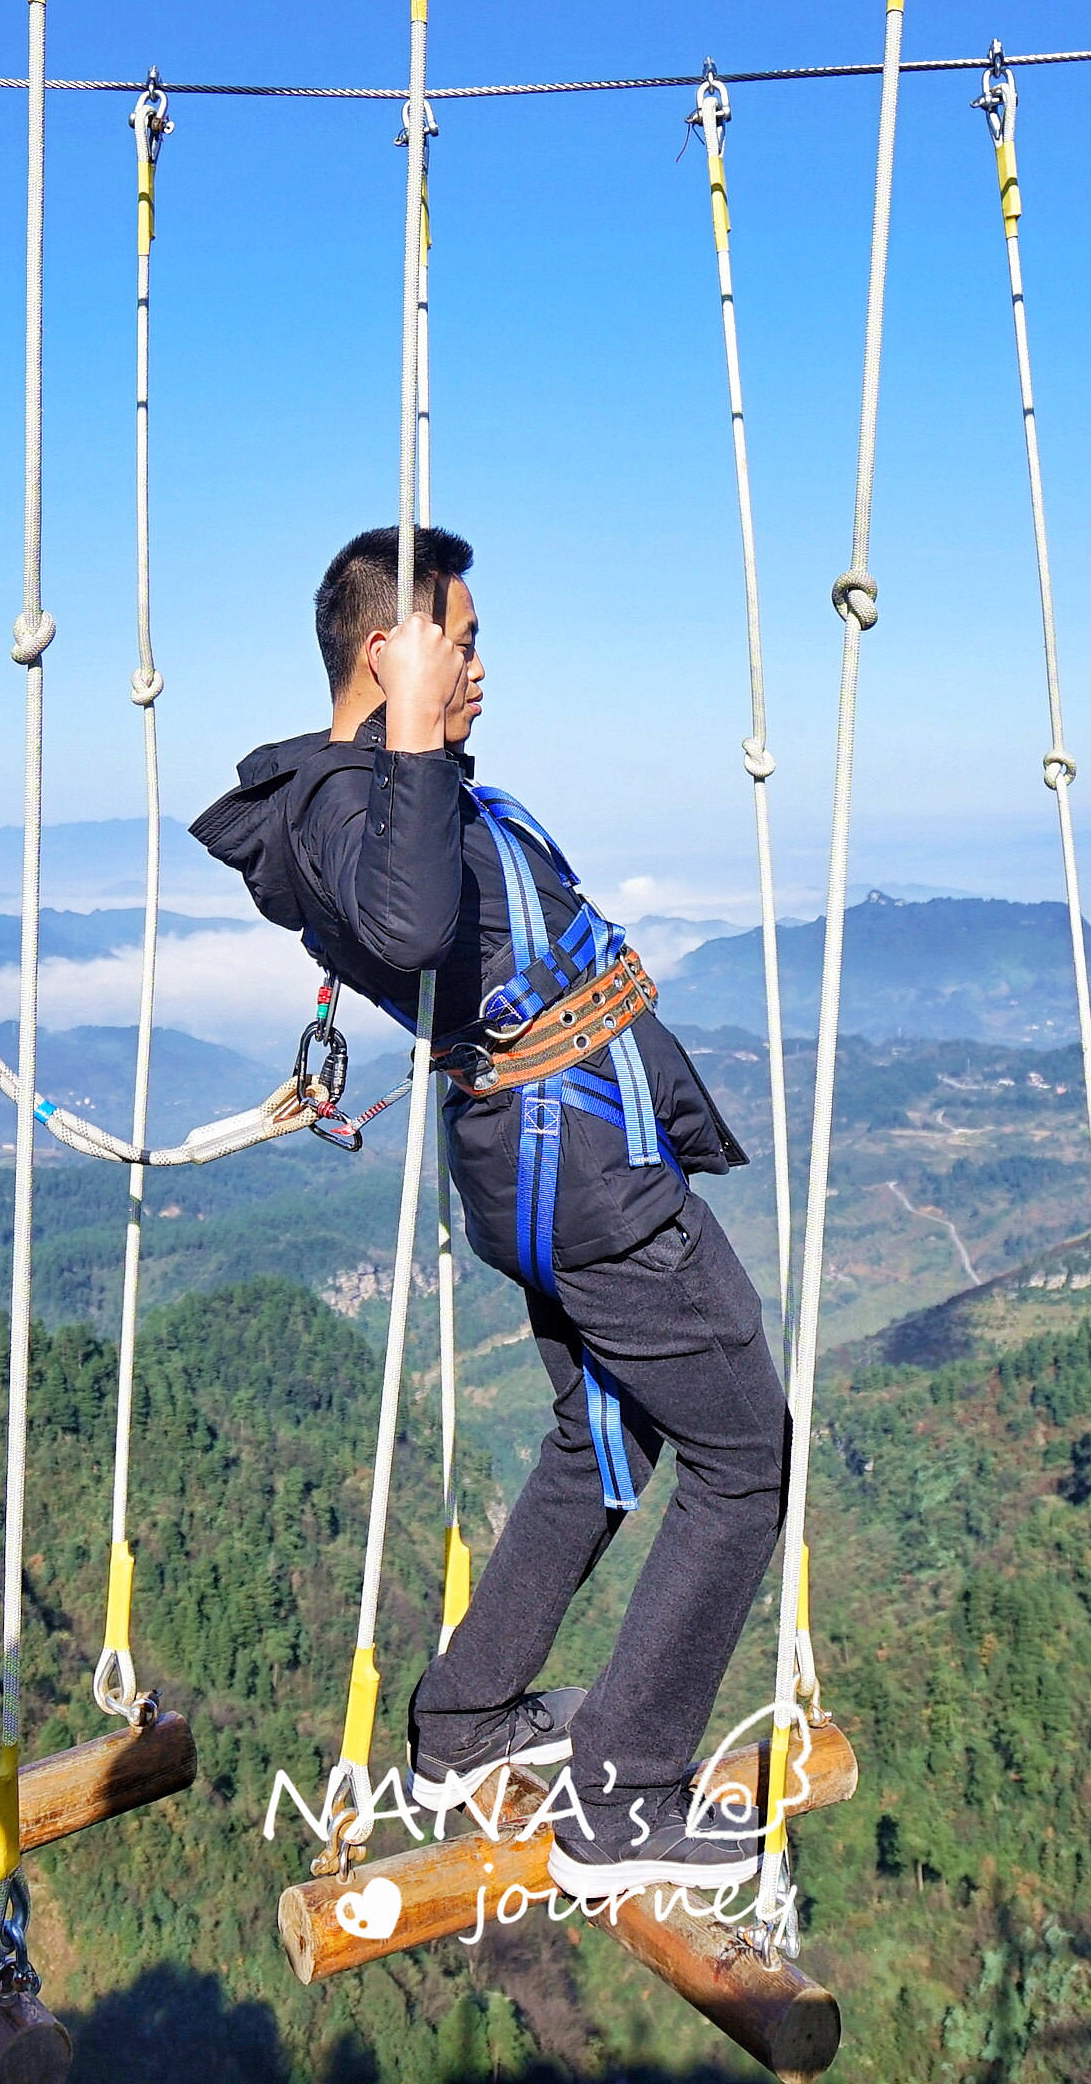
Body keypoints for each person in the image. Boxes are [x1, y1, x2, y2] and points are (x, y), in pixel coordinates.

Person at [194, 523, 790, 1899]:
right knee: (746, 1454)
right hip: (585, 1168)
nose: (477, 672)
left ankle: (467, 1716)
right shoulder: (353, 805)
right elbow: (408, 929)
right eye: (457, 645)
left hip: (545, 1156)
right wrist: (413, 730)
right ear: (388, 652)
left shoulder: (365, 797)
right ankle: (624, 1802)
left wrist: (415, 743)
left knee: (603, 1436)